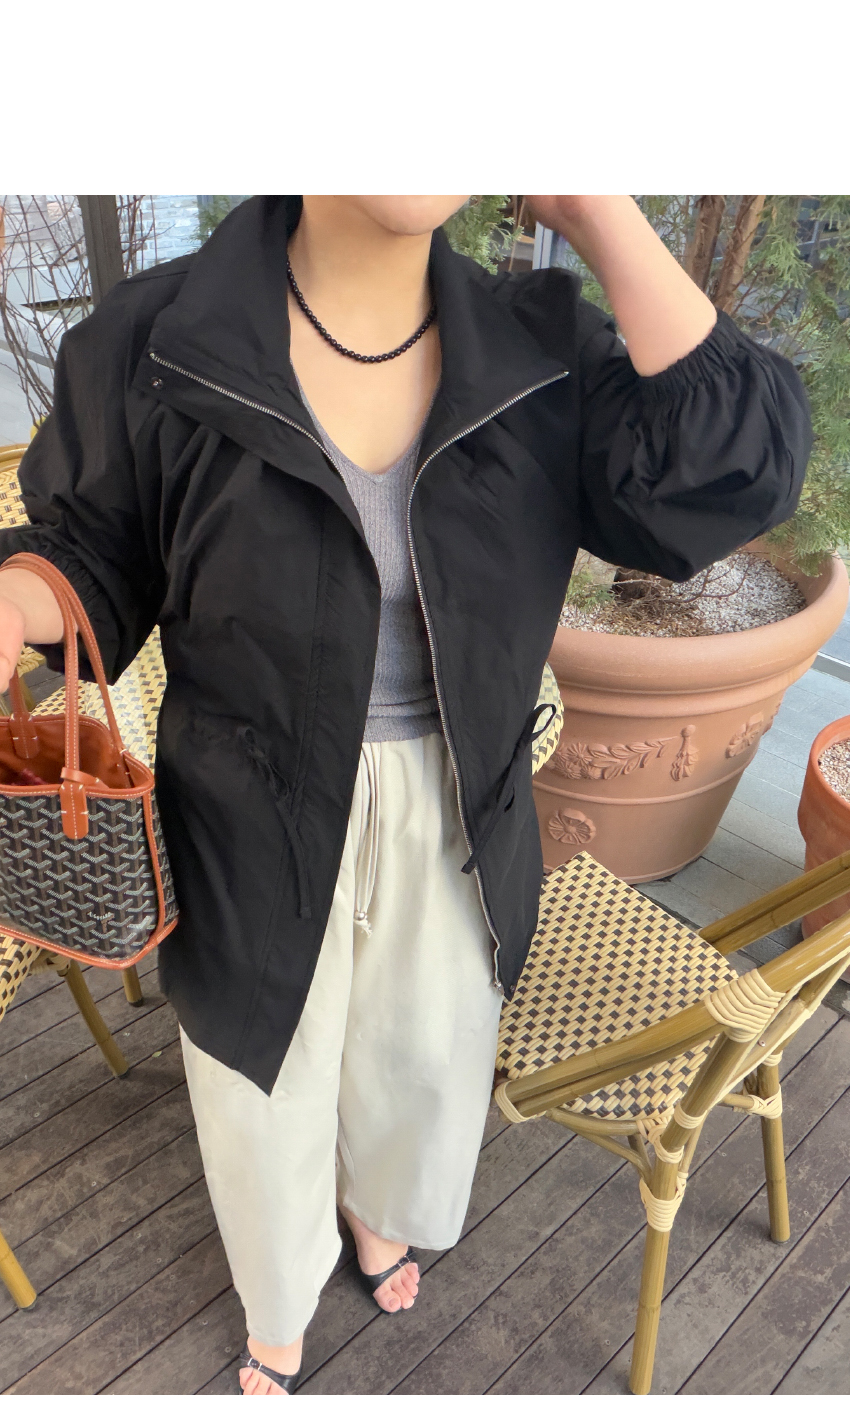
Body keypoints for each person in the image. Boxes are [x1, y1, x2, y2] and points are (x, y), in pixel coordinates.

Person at [0, 195, 811, 1394]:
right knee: (260, 1080)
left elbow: (732, 470)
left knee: (423, 1052)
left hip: (458, 795)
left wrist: (591, 202)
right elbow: (93, 547)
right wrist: (18, 597)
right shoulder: (160, 337)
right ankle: (279, 1296)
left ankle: (377, 1211)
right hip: (247, 804)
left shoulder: (541, 352)